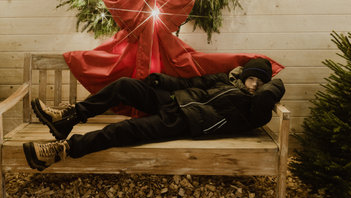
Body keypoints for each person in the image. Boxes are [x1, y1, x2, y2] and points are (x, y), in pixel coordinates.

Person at [23, 58, 285, 171]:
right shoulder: (224, 80)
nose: (253, 85)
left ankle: (63, 150)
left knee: (125, 130)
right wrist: (162, 81)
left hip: (184, 121)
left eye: (259, 83)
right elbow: (188, 84)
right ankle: (69, 117)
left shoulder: (254, 108)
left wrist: (273, 85)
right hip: (173, 101)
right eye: (251, 78)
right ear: (243, 74)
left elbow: (266, 97)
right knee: (125, 84)